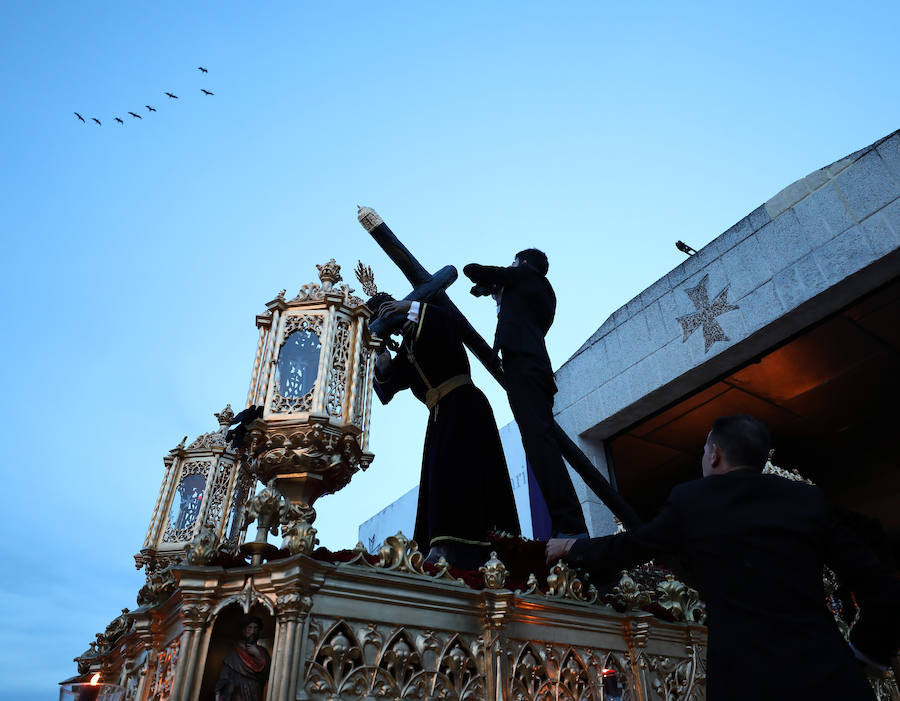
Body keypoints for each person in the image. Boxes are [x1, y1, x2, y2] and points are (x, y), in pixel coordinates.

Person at [546, 415, 900, 700]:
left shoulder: (693, 500)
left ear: (714, 454)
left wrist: (573, 548)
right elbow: (882, 588)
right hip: (833, 680)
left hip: (746, 684)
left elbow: (630, 548)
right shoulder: (808, 501)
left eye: (703, 451)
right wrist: (864, 656)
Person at [367, 292, 520, 569]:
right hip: (439, 417)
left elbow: (455, 323)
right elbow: (387, 387)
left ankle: (467, 547)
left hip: (465, 407)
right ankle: (439, 545)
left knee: (459, 476)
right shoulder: (407, 347)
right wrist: (380, 354)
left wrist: (409, 306)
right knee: (438, 481)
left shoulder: (433, 319)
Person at [463, 250, 587, 538]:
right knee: (539, 443)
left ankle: (569, 524)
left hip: (524, 366)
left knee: (539, 444)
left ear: (524, 263)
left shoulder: (526, 277)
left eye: (514, 261)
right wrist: (500, 293)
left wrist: (498, 281)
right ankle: (567, 522)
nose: (511, 265)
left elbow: (473, 269)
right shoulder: (536, 292)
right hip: (533, 368)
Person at [214, 616, 271, 701]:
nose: (253, 631)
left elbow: (269, 673)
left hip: (255, 691)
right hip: (237, 692)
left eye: (256, 628)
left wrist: (257, 654)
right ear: (244, 631)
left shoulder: (263, 652)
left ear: (259, 631)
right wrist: (219, 691)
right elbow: (225, 674)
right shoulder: (235, 653)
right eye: (250, 628)